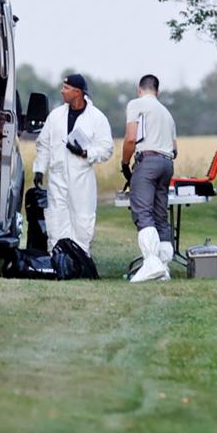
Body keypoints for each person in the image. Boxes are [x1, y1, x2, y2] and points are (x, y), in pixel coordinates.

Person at [32, 73, 113, 254]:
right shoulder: (55, 116)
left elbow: (107, 148)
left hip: (82, 179)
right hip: (57, 177)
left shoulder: (96, 118)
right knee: (56, 219)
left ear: (77, 92)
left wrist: (85, 153)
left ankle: (80, 260)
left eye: (66, 88)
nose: (62, 91)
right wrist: (39, 169)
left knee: (82, 221)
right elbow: (43, 143)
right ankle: (57, 259)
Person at [121, 74, 178, 282]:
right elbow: (175, 149)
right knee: (160, 216)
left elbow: (131, 138)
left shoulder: (136, 104)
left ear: (139, 89)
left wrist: (124, 163)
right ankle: (164, 268)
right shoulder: (167, 113)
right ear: (157, 91)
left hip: (148, 161)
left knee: (143, 213)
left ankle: (151, 264)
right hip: (167, 163)